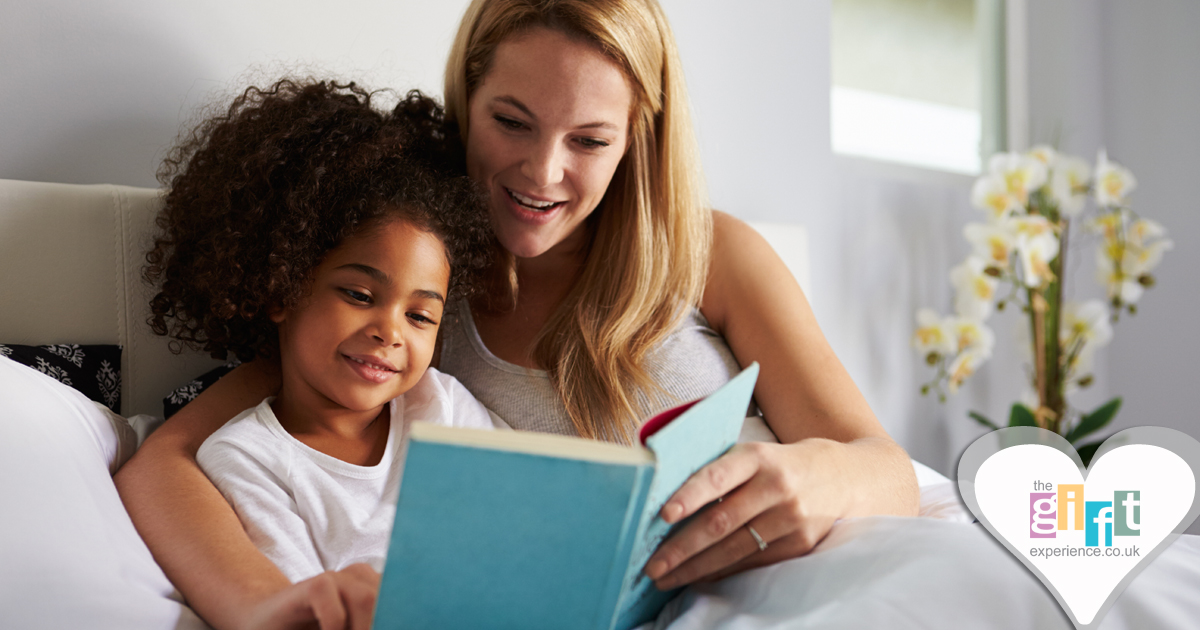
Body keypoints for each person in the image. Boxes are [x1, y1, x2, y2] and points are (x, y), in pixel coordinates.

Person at [116, 1, 921, 628]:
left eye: (591, 141)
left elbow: (883, 466)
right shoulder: (409, 268)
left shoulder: (713, 256)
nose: (543, 173)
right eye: (510, 122)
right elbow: (166, 463)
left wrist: (806, 476)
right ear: (467, 97)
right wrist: (270, 606)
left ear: (639, 137)